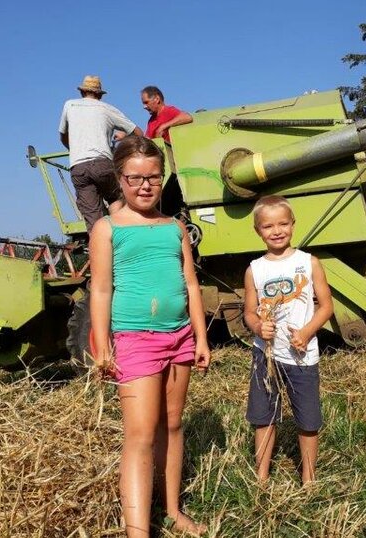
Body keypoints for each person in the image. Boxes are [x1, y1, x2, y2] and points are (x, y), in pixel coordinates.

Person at [89, 135, 210, 537]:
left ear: (163, 178)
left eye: (153, 177)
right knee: (140, 435)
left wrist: (201, 339)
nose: (145, 185)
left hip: (179, 339)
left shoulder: (175, 228)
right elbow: (101, 289)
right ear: (119, 179)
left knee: (173, 425)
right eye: (135, 177)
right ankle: (137, 530)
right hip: (135, 340)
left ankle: (173, 510)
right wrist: (103, 344)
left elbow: (191, 284)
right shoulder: (107, 229)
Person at [243, 195, 334, 485]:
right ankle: (262, 478)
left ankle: (308, 479)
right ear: (258, 231)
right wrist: (258, 327)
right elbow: (248, 312)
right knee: (263, 416)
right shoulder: (255, 269)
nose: (277, 230)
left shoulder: (308, 263)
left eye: (283, 223)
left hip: (302, 356)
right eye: (268, 226)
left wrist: (307, 332)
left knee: (308, 420)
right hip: (266, 356)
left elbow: (327, 306)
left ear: (293, 225)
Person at [59, 75, 144, 233]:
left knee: (93, 218)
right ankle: (123, 234)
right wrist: (125, 138)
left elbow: (63, 135)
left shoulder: (69, 105)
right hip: (102, 165)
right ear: (99, 94)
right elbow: (139, 133)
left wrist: (75, 149)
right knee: (116, 197)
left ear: (82, 92)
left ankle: (100, 247)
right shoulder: (107, 108)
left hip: (78, 167)